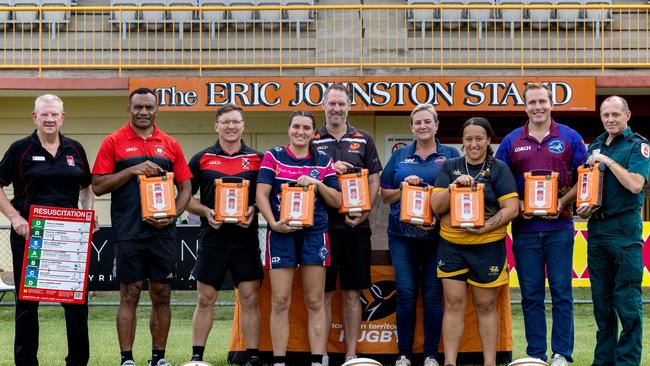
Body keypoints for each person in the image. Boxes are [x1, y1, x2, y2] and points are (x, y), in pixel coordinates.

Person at [92, 87, 192, 366]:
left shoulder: (170, 144)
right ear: (129, 109)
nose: (144, 112)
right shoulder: (114, 141)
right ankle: (127, 359)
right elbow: (97, 185)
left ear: (157, 109)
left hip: (163, 232)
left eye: (149, 107)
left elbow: (185, 185)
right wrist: (131, 170)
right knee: (130, 294)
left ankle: (158, 358)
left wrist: (174, 214)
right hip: (129, 231)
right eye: (138, 107)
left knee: (162, 294)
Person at [495, 82, 587, 366]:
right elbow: (500, 181)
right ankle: (536, 354)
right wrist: (518, 204)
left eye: (542, 101)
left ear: (551, 103)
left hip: (559, 228)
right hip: (523, 231)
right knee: (530, 295)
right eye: (532, 102)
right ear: (525, 107)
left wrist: (562, 202)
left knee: (562, 293)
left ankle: (562, 354)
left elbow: (584, 176)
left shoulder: (571, 137)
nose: (538, 107)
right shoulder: (511, 141)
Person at [0, 94, 95, 366]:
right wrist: (15, 218)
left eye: (54, 114)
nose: (50, 119)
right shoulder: (20, 149)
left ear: (62, 118)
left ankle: (77, 362)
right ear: (35, 117)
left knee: (75, 304)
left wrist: (87, 212)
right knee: (27, 305)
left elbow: (87, 185)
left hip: (67, 238)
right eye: (44, 114)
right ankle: (27, 362)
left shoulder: (75, 149)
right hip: (30, 237)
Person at [430, 117, 519, 366]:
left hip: (488, 245)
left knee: (486, 305)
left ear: (488, 140)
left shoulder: (499, 168)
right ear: (462, 141)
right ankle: (449, 362)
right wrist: (453, 187)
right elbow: (436, 207)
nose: (473, 144)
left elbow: (511, 208)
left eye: (479, 138)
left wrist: (486, 227)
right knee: (454, 303)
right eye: (468, 139)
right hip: (452, 245)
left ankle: (489, 363)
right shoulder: (450, 166)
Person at [256, 110, 342, 366]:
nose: (300, 132)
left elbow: (337, 200)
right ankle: (280, 361)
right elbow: (261, 195)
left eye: (306, 128)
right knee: (280, 300)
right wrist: (273, 224)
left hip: (314, 234)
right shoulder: (274, 156)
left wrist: (317, 185)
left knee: (315, 300)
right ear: (289, 129)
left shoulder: (323, 161)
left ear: (313, 132)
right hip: (281, 233)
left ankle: (317, 360)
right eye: (296, 127)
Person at [379, 104, 459, 366]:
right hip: (401, 237)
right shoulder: (400, 156)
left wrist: (437, 219)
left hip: (438, 236)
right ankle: (404, 354)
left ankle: (431, 355)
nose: (422, 126)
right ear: (411, 127)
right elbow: (384, 194)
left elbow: (458, 196)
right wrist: (403, 188)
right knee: (405, 293)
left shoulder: (450, 155)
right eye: (417, 123)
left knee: (434, 296)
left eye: (427, 121)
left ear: (436, 125)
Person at [187, 103, 264, 365]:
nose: (231, 127)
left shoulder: (258, 159)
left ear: (243, 125)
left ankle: (253, 356)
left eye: (236, 122)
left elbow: (267, 198)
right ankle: (197, 357)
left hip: (245, 239)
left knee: (250, 299)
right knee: (205, 299)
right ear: (216, 126)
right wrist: (206, 211)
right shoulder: (201, 159)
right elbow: (186, 198)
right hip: (212, 239)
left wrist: (255, 209)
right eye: (226, 122)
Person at [312, 83, 382, 363]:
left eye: (341, 104)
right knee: (324, 294)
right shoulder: (312, 137)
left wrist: (365, 211)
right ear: (324, 105)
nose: (336, 109)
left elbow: (375, 178)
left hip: (355, 226)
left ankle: (351, 355)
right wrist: (327, 168)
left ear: (349, 106)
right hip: (320, 228)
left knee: (353, 293)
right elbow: (300, 173)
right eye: (332, 104)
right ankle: (324, 353)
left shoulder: (363, 139)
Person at [576, 95, 648, 366]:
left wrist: (607, 160)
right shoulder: (593, 145)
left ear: (628, 115)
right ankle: (602, 360)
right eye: (606, 115)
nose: (610, 119)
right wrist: (582, 208)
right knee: (601, 303)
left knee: (627, 301)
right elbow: (589, 186)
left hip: (624, 229)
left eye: (616, 114)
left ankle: (627, 362)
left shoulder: (637, 145)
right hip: (597, 227)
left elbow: (635, 185)